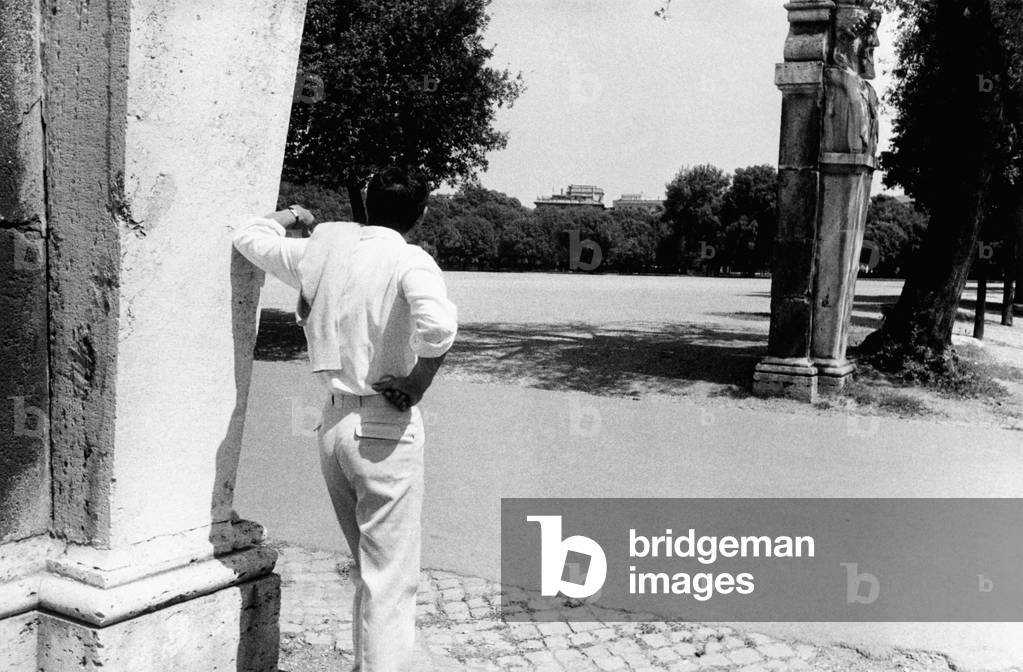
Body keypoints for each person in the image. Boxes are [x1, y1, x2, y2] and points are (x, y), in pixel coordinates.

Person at [233, 167, 458, 671]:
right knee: (390, 582)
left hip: (333, 425)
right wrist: (418, 383)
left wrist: (291, 215)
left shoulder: (321, 253)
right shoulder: (409, 259)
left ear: (371, 202)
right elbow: (439, 328)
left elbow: (248, 236)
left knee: (369, 571)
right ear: (419, 214)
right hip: (384, 430)